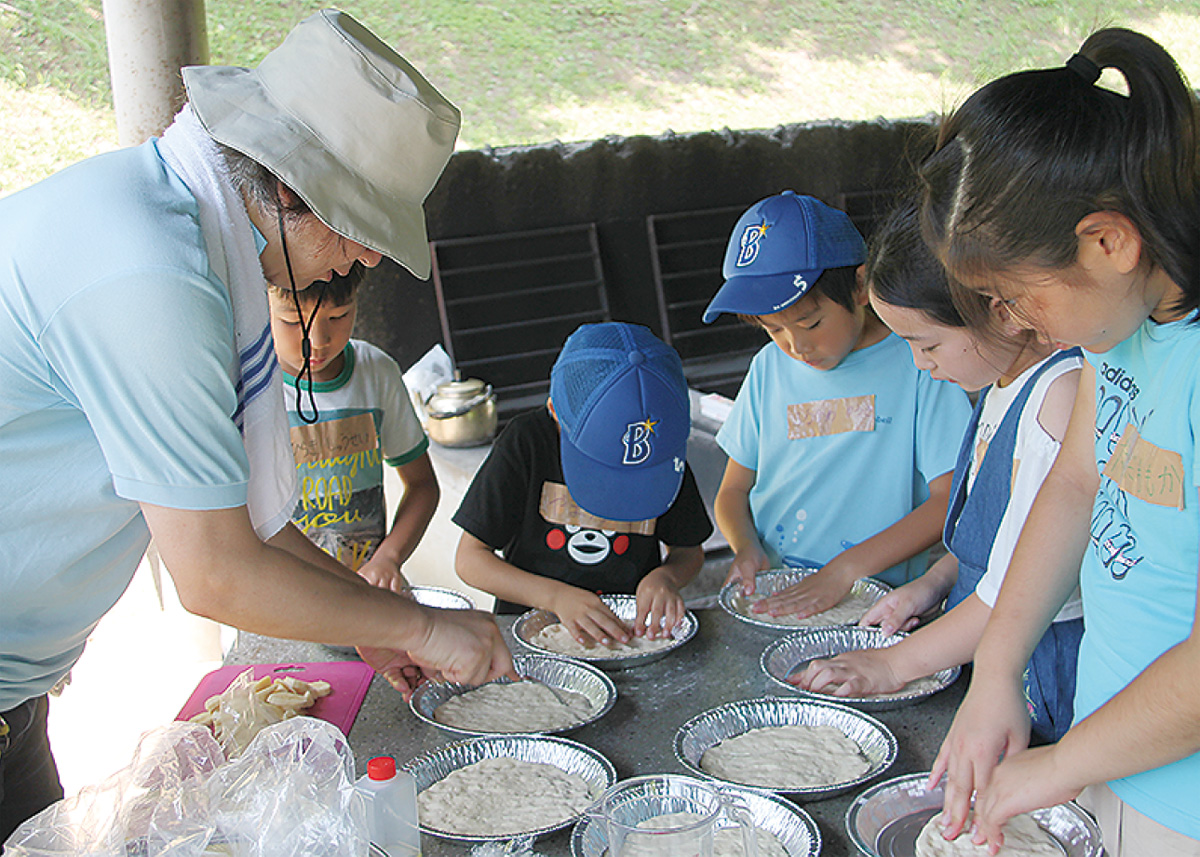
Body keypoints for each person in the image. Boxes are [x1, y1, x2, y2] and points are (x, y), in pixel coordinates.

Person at [0, 9, 514, 838]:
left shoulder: (177, 223)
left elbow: (252, 527)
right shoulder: (149, 273)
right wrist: (418, 624)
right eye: (360, 221)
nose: (371, 257)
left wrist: (370, 629)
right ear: (283, 185)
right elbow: (217, 571)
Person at [919, 28, 1200, 856]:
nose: (1011, 324)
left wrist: (1059, 765)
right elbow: (1076, 483)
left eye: (1012, 296)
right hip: (1116, 751)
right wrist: (998, 671)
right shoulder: (1124, 328)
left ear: (1108, 241)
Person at [792, 201, 1084, 745]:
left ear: (999, 310)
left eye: (927, 344)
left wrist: (890, 666)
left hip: (1043, 664)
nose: (919, 362)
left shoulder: (1055, 401)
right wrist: (931, 584)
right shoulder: (1002, 387)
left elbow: (1018, 588)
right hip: (982, 643)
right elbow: (1000, 541)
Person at [705, 191, 971, 620]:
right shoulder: (769, 368)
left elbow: (950, 499)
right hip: (782, 595)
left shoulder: (923, 362)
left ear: (861, 286)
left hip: (878, 603)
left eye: (811, 322)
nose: (797, 345)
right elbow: (733, 490)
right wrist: (746, 547)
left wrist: (844, 571)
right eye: (774, 330)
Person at [453, 322, 713, 646]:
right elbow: (470, 559)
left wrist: (666, 577)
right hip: (532, 635)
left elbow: (688, 551)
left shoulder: (662, 454)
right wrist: (555, 597)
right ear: (555, 413)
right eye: (600, 464)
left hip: (628, 634)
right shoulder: (527, 444)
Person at [268, 268, 439, 592]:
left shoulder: (376, 372)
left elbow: (422, 485)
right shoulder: (251, 389)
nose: (317, 342)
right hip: (283, 592)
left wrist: (389, 557)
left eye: (339, 316)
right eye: (292, 321)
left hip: (364, 590)